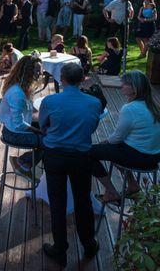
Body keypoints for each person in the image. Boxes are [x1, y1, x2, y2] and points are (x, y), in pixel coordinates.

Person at [38, 62, 102, 267]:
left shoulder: (50, 101)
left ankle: (60, 250)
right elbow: (91, 127)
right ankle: (89, 245)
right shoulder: (94, 103)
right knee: (83, 201)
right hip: (81, 157)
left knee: (58, 203)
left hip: (55, 155)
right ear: (83, 78)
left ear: (61, 80)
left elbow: (43, 126)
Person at [89, 71, 160, 203]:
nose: (121, 85)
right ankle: (132, 185)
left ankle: (111, 193)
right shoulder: (153, 105)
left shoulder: (130, 108)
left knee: (86, 153)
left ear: (135, 88)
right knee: (113, 149)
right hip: (154, 156)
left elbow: (117, 138)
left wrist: (103, 142)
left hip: (139, 157)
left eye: (125, 83)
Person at [0, 55, 44, 179]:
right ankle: (23, 163)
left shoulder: (24, 86)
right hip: (13, 133)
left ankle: (30, 163)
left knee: (51, 128)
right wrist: (38, 130)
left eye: (40, 70)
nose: (40, 73)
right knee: (51, 141)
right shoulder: (17, 93)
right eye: (37, 70)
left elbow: (29, 110)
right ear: (27, 72)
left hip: (15, 127)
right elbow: (19, 124)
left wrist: (43, 118)